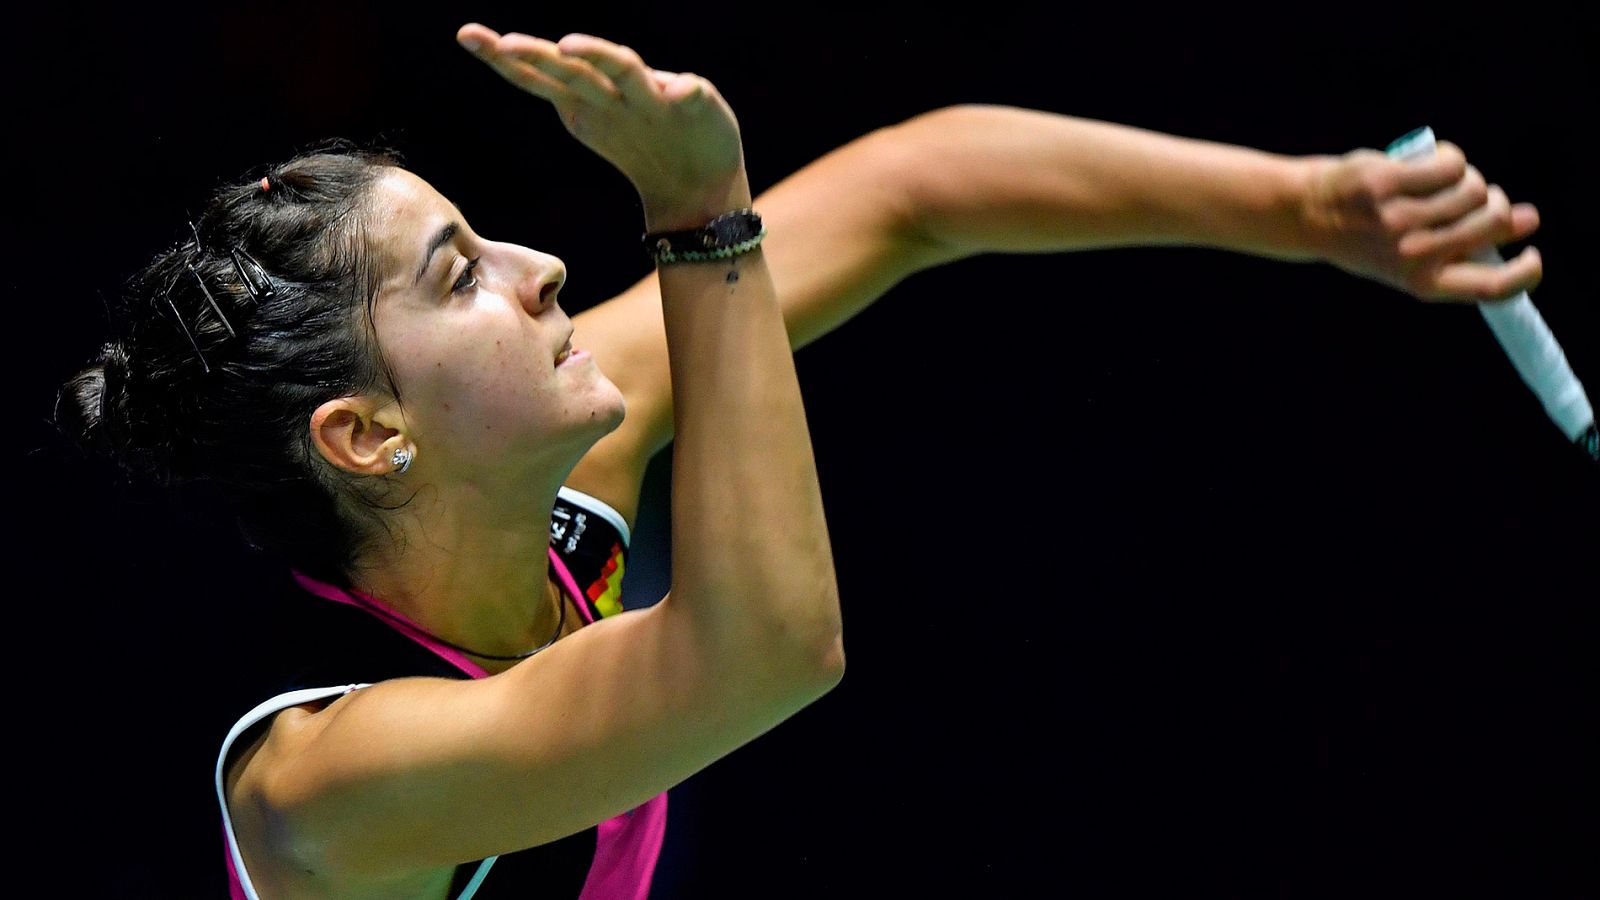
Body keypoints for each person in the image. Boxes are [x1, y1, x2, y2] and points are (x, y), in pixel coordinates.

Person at [51, 22, 1544, 900]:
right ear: (369, 436)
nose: (546, 267)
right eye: (460, 276)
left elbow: (914, 188)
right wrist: (704, 221)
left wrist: (1317, 208)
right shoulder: (330, 783)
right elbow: (764, 651)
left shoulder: (553, 493)